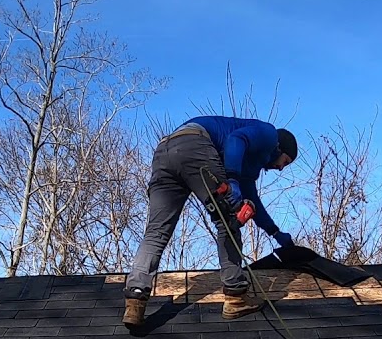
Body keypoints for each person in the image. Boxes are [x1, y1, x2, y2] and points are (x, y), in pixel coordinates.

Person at [123, 115, 298, 328]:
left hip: (164, 151)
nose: (281, 168)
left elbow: (252, 199)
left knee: (156, 232)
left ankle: (135, 299)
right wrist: (232, 179)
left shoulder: (247, 164)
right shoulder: (269, 134)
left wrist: (274, 232)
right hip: (194, 145)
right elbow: (236, 139)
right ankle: (236, 297)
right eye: (285, 162)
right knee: (228, 220)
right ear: (280, 148)